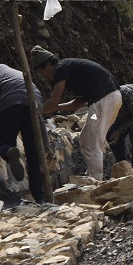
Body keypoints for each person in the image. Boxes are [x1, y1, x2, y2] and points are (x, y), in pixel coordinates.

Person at [30, 45, 121, 181]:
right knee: (86, 137)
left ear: (49, 64)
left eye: (42, 71)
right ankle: (92, 175)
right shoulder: (72, 71)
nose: (44, 76)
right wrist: (54, 109)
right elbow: (79, 103)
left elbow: (54, 100)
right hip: (107, 101)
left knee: (92, 141)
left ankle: (95, 181)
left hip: (103, 101)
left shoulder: (61, 68)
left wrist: (36, 111)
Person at [0, 64, 47, 203]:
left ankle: (9, 150)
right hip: (35, 99)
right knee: (33, 154)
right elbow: (40, 124)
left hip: (11, 100)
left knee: (6, 142)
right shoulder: (12, 73)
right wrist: (45, 145)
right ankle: (40, 198)